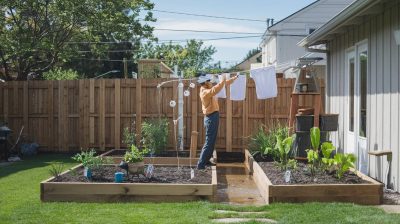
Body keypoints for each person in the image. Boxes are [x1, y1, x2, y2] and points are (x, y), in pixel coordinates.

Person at [197, 74, 238, 169]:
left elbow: (223, 84)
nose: (210, 81)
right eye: (209, 80)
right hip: (211, 117)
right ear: (205, 82)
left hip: (213, 116)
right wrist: (223, 79)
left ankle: (206, 161)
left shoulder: (208, 87)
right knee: (209, 141)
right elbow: (215, 90)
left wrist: (234, 78)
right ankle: (201, 164)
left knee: (212, 141)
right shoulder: (205, 92)